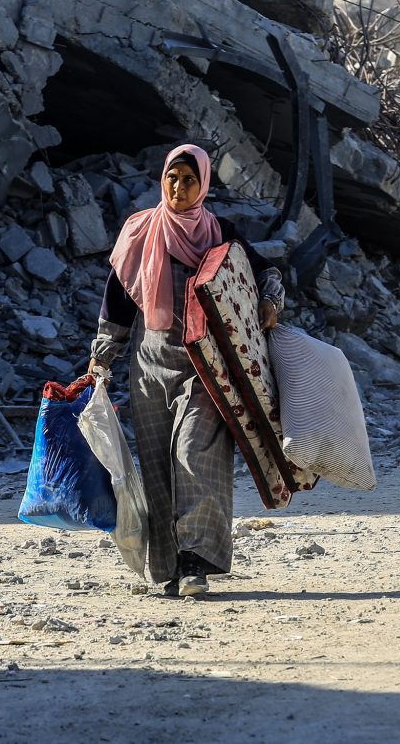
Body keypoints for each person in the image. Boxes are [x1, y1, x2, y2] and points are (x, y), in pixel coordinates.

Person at [87, 144, 284, 598]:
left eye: (189, 180)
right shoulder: (140, 233)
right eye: (172, 178)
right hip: (149, 367)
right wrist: (103, 355)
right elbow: (117, 305)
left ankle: (197, 561)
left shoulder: (219, 235)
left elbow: (266, 272)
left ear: (204, 185)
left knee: (195, 454)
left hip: (206, 367)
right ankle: (170, 567)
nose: (178, 188)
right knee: (157, 467)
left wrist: (270, 301)